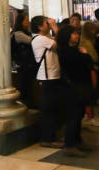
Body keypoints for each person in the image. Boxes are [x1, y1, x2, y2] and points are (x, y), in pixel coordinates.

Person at [54, 25, 91, 157]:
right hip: (72, 87)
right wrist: (85, 55)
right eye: (74, 34)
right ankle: (70, 145)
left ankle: (76, 140)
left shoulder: (73, 50)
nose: (77, 36)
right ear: (67, 36)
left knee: (78, 115)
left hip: (78, 85)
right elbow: (87, 62)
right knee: (73, 116)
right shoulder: (67, 51)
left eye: (77, 34)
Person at [31, 15, 65, 149]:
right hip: (47, 78)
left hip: (52, 76)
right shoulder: (39, 39)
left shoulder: (46, 38)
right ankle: (47, 138)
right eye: (46, 23)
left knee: (53, 108)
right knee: (48, 109)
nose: (49, 24)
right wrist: (55, 27)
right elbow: (61, 41)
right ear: (40, 26)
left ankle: (52, 136)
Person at [11, 13, 36, 109]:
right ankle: (26, 103)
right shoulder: (19, 34)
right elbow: (33, 42)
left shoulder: (24, 32)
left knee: (27, 84)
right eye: (26, 20)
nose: (28, 22)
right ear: (20, 22)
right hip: (24, 64)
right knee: (25, 84)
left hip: (25, 63)